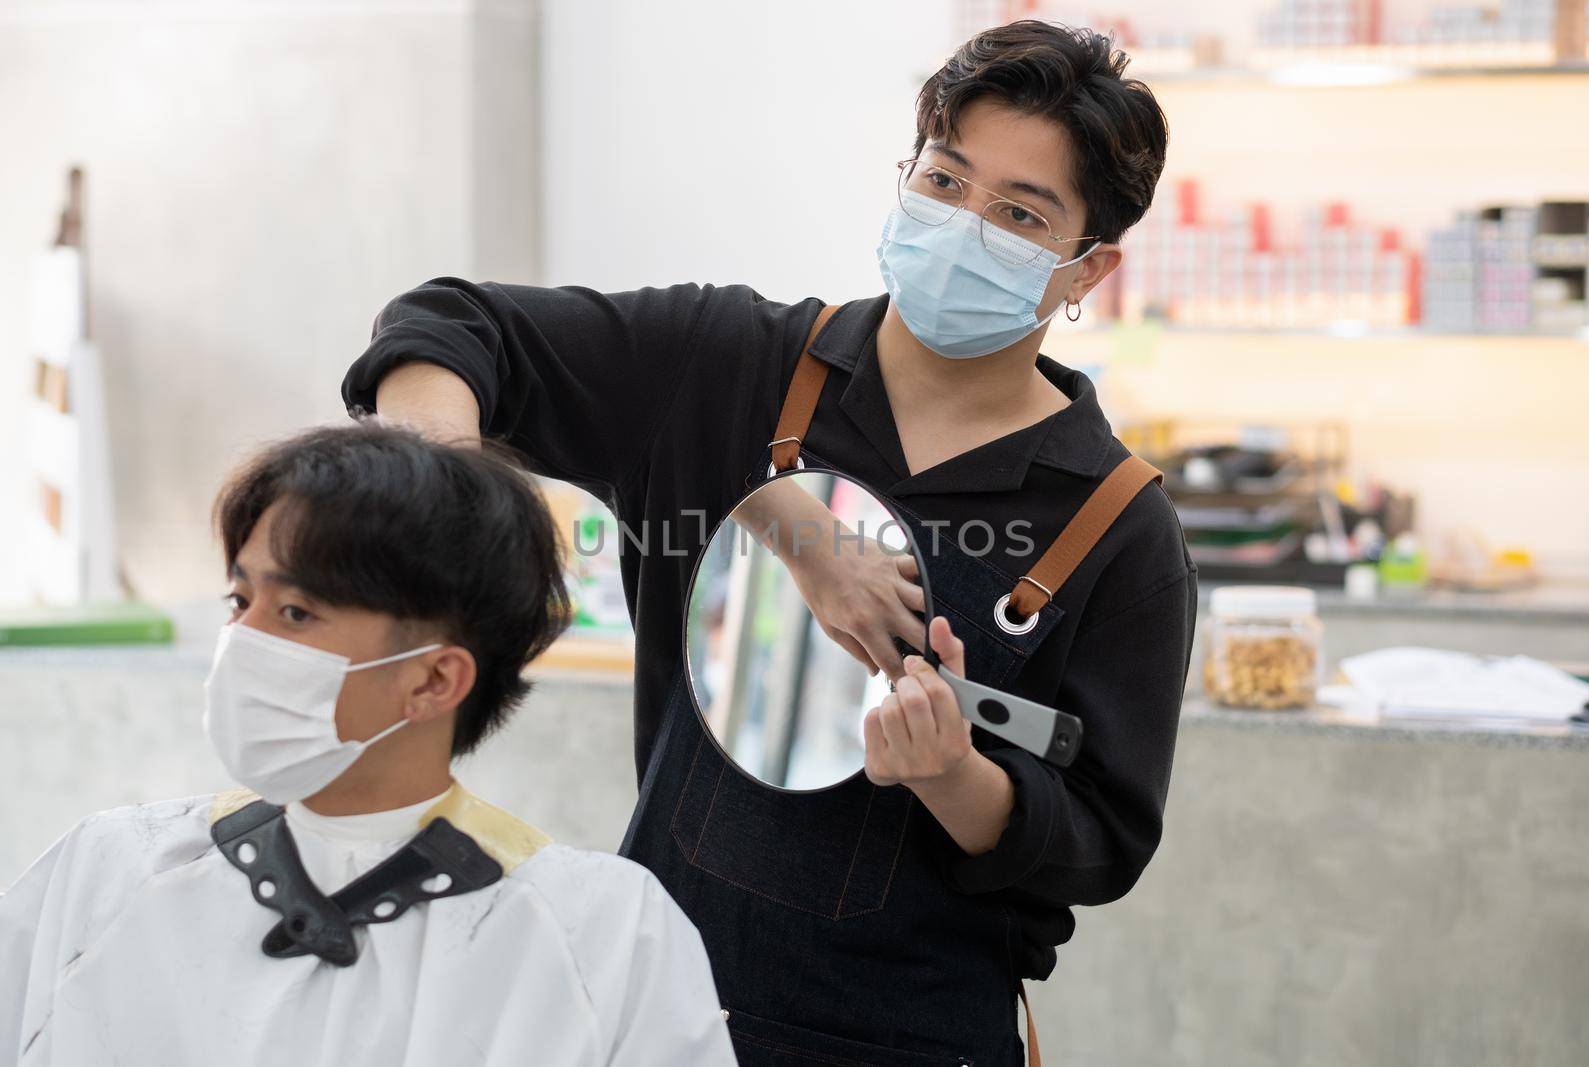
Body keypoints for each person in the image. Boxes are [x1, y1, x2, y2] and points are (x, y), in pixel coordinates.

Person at [341, 21, 1197, 1066]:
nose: (964, 225)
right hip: (656, 1012)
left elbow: (1100, 841)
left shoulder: (1116, 524)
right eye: (945, 181)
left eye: (1019, 215)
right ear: (907, 174)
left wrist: (954, 776)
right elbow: (450, 325)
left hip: (918, 1040)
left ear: (1086, 268)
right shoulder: (726, 365)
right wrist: (433, 500)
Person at [0, 425, 737, 1067]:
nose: (242, 641)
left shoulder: (602, 937)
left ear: (433, 679)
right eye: (239, 599)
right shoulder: (106, 872)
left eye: (295, 610)